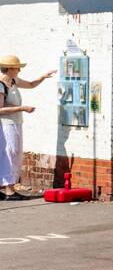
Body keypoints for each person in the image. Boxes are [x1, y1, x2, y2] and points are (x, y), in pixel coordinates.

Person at [0, 55, 55, 199]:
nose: (19, 70)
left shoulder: (13, 81)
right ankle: (8, 190)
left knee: (16, 153)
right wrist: (22, 108)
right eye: (17, 68)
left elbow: (31, 84)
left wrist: (43, 76)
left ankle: (9, 187)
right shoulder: (0, 85)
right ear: (10, 69)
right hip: (5, 124)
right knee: (9, 153)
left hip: (16, 122)